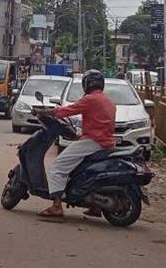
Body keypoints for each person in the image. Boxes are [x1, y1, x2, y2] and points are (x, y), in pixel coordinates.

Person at [37, 69, 115, 218]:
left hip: (94, 141)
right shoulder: (108, 100)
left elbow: (68, 110)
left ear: (86, 84)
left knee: (58, 167)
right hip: (106, 142)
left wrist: (44, 112)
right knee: (81, 169)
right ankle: (95, 206)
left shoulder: (90, 99)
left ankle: (56, 205)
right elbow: (100, 124)